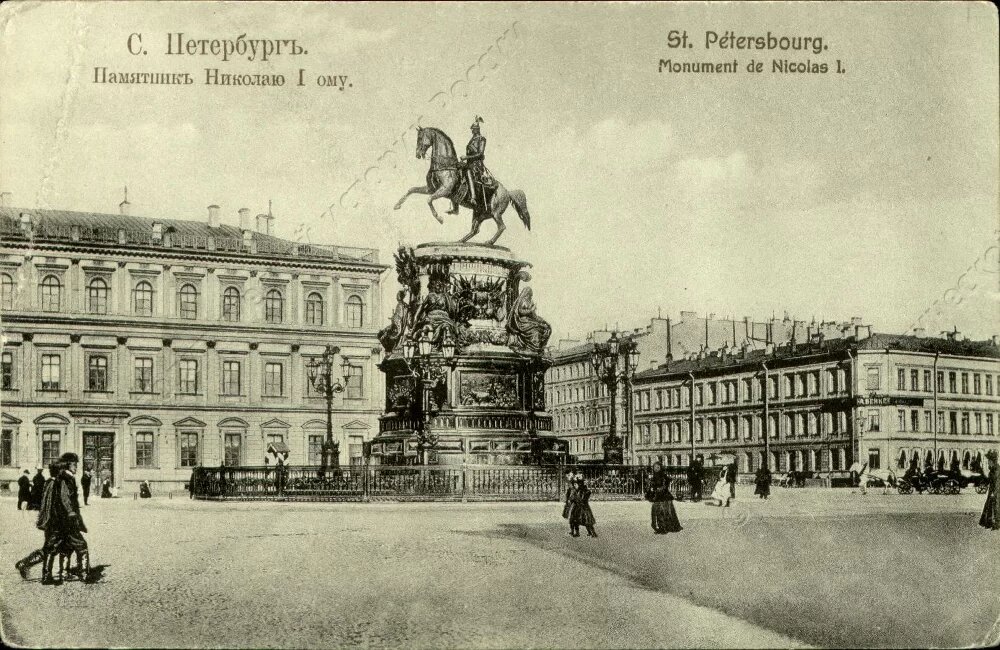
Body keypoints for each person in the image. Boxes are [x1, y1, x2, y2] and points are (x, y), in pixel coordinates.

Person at [647, 463, 683, 534]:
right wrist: (651, 490)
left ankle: (667, 527)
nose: (656, 468)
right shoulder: (654, 477)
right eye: (654, 467)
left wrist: (657, 489)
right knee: (659, 513)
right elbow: (652, 486)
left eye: (657, 467)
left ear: (660, 468)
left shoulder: (663, 476)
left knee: (666, 512)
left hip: (664, 496)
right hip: (658, 496)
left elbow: (664, 486)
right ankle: (662, 527)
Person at [979, 450, 999, 531]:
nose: (988, 463)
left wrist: (995, 493)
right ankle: (989, 522)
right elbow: (988, 481)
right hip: (992, 491)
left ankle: (997, 524)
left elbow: (998, 483)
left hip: (997, 491)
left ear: (992, 461)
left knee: (997, 506)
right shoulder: (992, 470)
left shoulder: (998, 470)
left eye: (989, 461)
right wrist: (983, 475)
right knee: (990, 506)